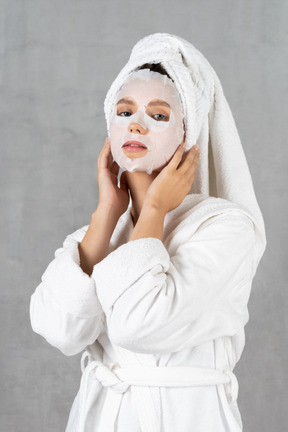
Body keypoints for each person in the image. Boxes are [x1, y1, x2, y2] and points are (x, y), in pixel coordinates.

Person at [29, 33, 267, 432]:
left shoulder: (226, 229)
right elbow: (59, 329)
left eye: (158, 116)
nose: (136, 124)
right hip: (101, 417)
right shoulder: (103, 232)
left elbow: (139, 323)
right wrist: (107, 213)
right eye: (124, 112)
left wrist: (154, 208)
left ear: (187, 135)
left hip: (188, 419)